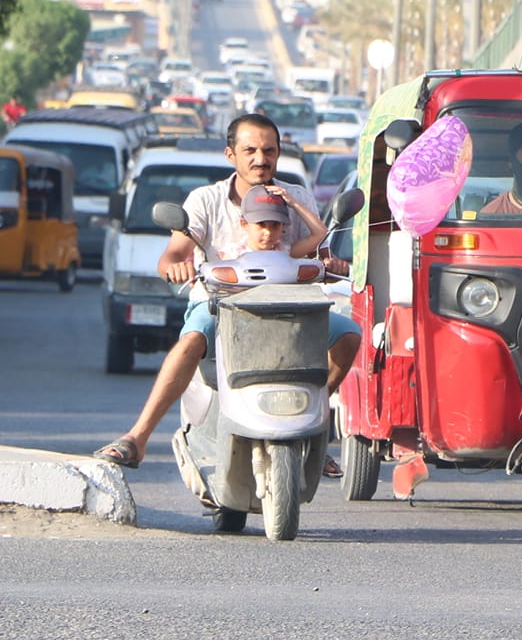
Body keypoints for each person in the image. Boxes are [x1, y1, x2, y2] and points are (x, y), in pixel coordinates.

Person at [93, 113, 361, 480]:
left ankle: (314, 425)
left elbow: (320, 252)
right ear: (230, 154)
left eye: (268, 150)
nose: (260, 159)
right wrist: (176, 265)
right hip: (221, 308)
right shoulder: (206, 200)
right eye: (249, 150)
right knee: (190, 340)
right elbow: (173, 253)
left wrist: (336, 263)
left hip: (290, 311)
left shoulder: (296, 198)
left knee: (349, 335)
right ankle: (137, 437)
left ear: (278, 154)